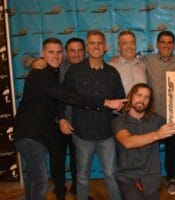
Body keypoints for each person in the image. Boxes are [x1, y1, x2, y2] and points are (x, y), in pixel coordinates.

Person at [13, 38, 125, 200]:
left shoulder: (55, 71)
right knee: (40, 179)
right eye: (51, 52)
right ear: (43, 54)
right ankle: (60, 193)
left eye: (58, 52)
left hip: (50, 130)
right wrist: (104, 102)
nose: (56, 56)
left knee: (33, 176)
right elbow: (67, 97)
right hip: (33, 132)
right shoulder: (42, 73)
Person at [58, 30, 125, 200]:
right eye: (92, 43)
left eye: (99, 43)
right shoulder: (74, 71)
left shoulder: (112, 72)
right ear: (87, 47)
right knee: (82, 177)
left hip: (107, 134)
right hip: (82, 134)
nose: (96, 46)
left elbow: (120, 101)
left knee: (111, 174)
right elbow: (64, 97)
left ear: (105, 47)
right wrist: (63, 118)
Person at [112, 83, 175, 200]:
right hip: (128, 177)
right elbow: (128, 142)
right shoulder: (119, 121)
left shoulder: (156, 120)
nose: (142, 100)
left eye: (146, 97)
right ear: (131, 96)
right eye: (139, 95)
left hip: (151, 178)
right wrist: (157, 134)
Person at [143, 31, 175, 195]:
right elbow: (130, 63)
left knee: (171, 149)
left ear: (174, 45)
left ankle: (171, 179)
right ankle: (149, 179)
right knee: (149, 149)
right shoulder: (146, 61)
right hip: (151, 116)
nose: (166, 45)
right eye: (163, 42)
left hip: (172, 117)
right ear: (157, 44)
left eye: (170, 42)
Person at [51, 38, 85, 199]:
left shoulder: (89, 67)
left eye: (79, 50)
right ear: (66, 52)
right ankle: (59, 191)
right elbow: (57, 97)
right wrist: (62, 118)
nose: (76, 54)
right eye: (72, 50)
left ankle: (77, 190)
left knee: (77, 159)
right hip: (58, 121)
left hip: (79, 122)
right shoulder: (57, 67)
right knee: (57, 158)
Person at [109, 30, 147, 94]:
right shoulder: (111, 67)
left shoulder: (143, 66)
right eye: (125, 43)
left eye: (132, 43)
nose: (129, 46)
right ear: (119, 47)